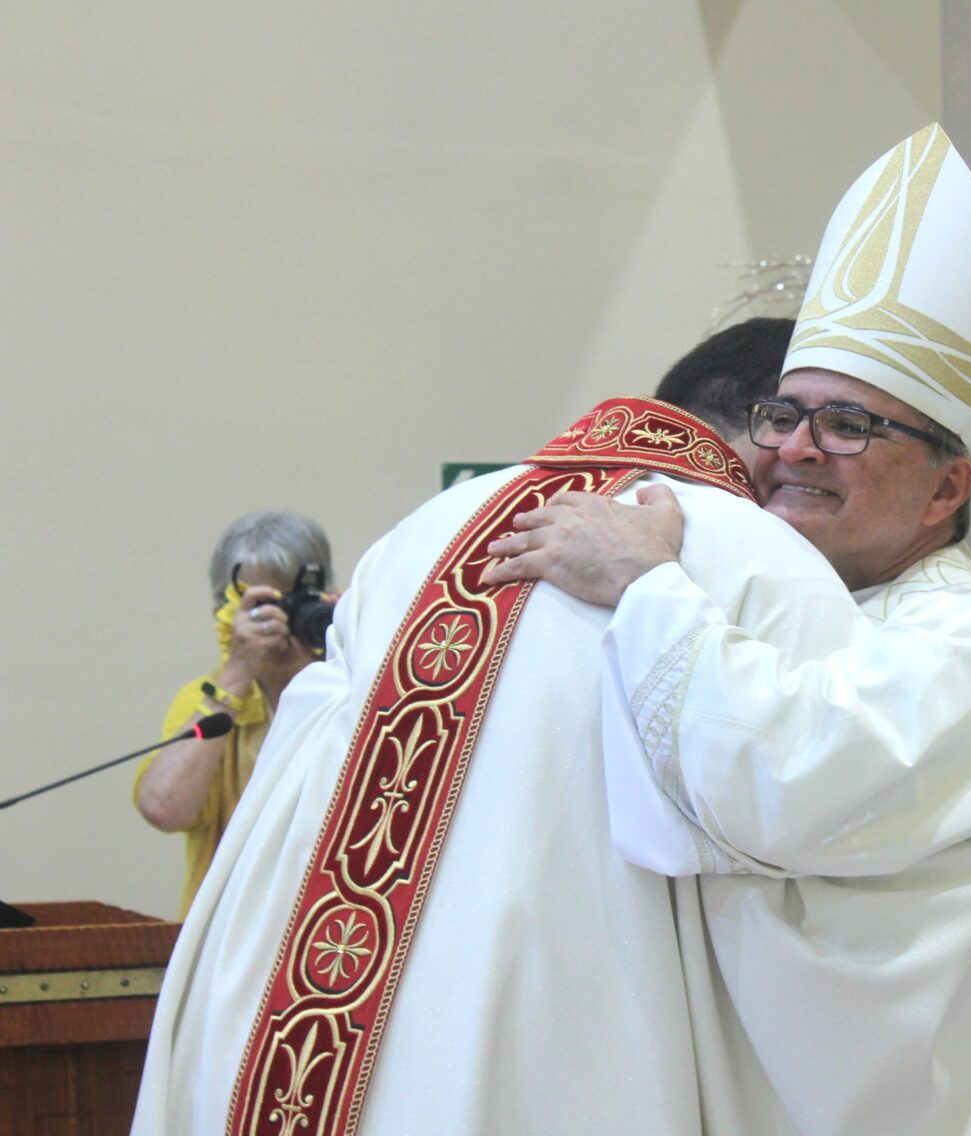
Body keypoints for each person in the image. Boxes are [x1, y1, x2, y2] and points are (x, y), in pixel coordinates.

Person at [484, 124, 971, 1133]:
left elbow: (790, 784)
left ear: (946, 486)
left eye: (850, 425)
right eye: (786, 413)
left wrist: (646, 586)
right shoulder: (758, 599)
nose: (794, 449)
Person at [131, 318, 888, 1136]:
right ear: (776, 434)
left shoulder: (420, 531)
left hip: (287, 1035)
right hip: (555, 1040)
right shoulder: (759, 553)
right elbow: (818, 834)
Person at [134, 511, 335, 917]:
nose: (284, 620)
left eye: (298, 602)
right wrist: (238, 672)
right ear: (224, 610)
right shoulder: (206, 703)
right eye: (267, 605)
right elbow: (165, 809)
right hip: (229, 936)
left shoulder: (354, 693)